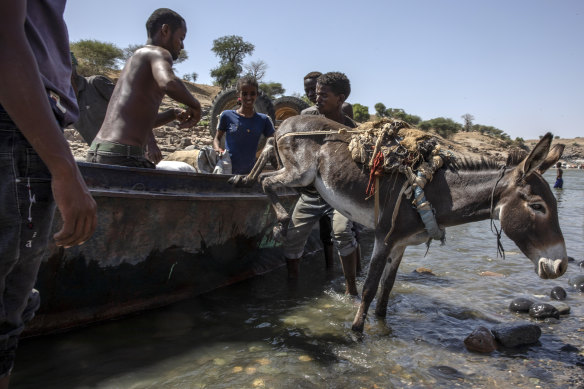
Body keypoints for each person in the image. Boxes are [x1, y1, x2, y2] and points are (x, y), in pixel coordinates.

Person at [0, 2, 98, 387]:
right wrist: (64, 168)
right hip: (19, 118)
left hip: (24, 116)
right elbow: (5, 39)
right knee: (8, 307)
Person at [87, 8, 201, 169]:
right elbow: (168, 82)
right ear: (165, 30)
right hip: (123, 155)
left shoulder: (135, 59)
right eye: (181, 38)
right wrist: (196, 105)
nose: (182, 45)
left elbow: (137, 121)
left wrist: (172, 114)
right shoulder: (159, 53)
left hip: (99, 152)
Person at [285, 72, 360, 296]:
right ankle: (292, 289)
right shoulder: (307, 119)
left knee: (342, 232)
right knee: (292, 237)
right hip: (312, 192)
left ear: (340, 99)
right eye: (316, 94)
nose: (316, 99)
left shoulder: (352, 130)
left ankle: (351, 291)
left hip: (339, 194)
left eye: (323, 95)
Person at [213, 75, 275, 175]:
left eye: (252, 94)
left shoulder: (263, 120)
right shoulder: (226, 115)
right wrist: (217, 148)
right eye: (244, 94)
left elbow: (273, 143)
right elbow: (216, 139)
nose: (248, 97)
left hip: (249, 173)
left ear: (257, 94)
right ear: (239, 94)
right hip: (227, 170)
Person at [70, 52, 115, 145]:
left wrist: (149, 141)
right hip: (98, 152)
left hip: (127, 151)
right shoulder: (63, 101)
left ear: (72, 69)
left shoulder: (95, 83)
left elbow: (132, 108)